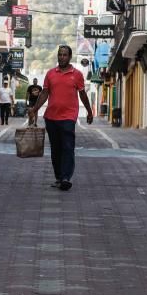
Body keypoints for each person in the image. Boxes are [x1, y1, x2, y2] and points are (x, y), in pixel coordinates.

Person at [28, 45, 93, 191]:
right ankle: (59, 177)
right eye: (60, 54)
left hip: (69, 117)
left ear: (70, 57)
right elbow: (44, 93)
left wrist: (89, 111)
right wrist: (35, 109)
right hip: (51, 117)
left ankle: (66, 178)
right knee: (56, 149)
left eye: (64, 55)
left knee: (68, 147)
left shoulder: (76, 74)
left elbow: (82, 94)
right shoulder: (50, 74)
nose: (62, 57)